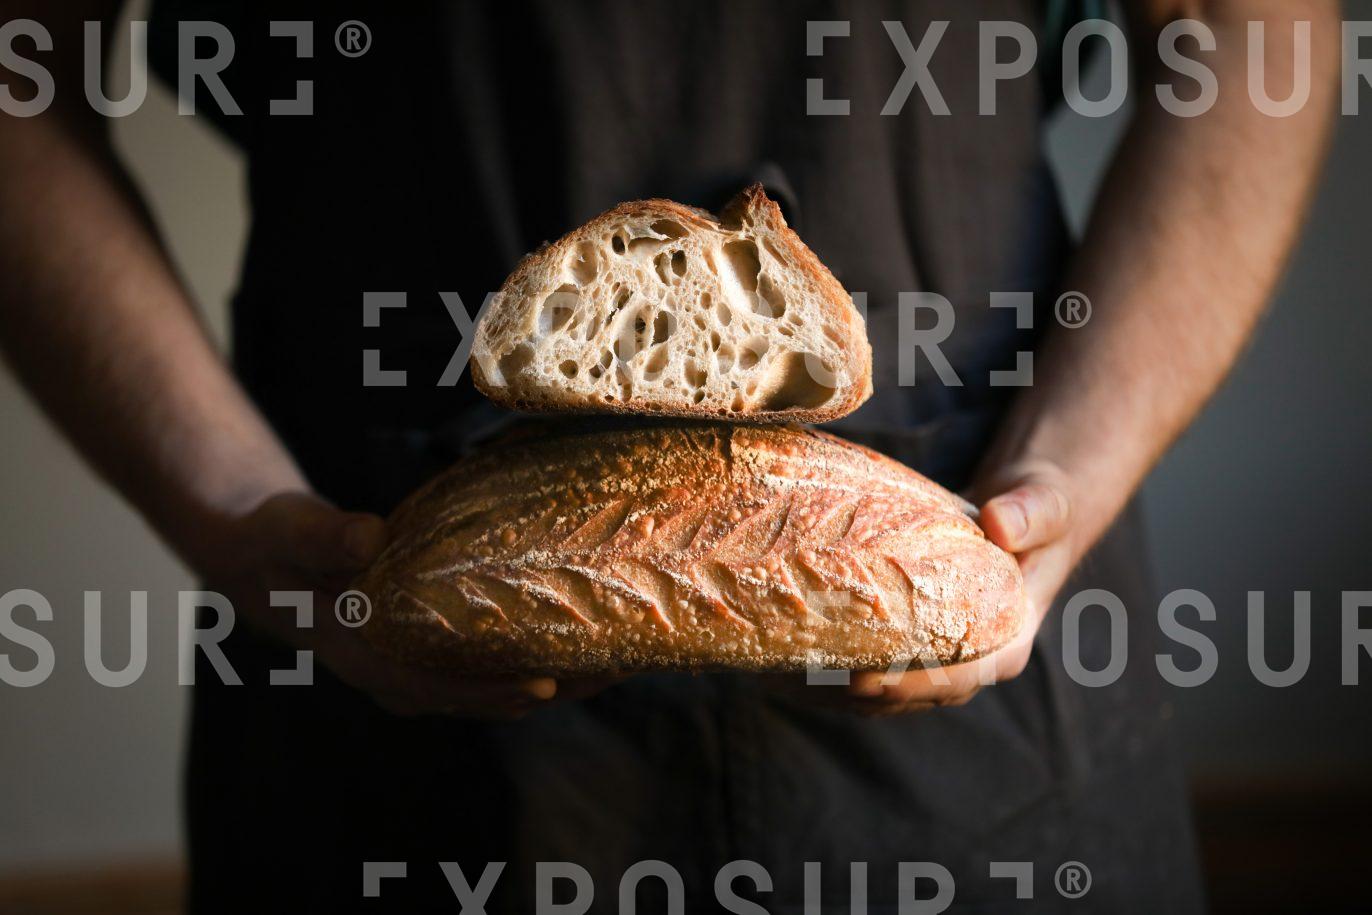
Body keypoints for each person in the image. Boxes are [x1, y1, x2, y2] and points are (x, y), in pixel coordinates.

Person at [0, 1, 1337, 911]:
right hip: (363, 598)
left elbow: (1248, 28)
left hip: (973, 584)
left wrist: (1071, 473)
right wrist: (241, 514)